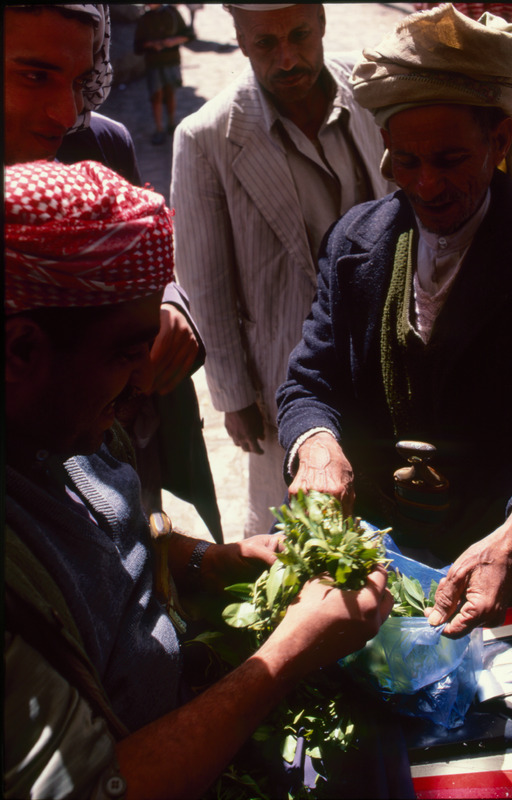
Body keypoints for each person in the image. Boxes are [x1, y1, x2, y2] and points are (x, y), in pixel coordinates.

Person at [4, 159, 398, 800]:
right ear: (21, 350)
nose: (145, 380)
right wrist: (289, 652)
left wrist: (206, 562)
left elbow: (108, 545)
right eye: (125, 353)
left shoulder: (66, 430)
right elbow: (102, 787)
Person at [277, 4, 512, 639]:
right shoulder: (354, 244)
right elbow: (309, 382)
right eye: (405, 161)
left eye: (449, 160)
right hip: (382, 574)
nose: (425, 185)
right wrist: (316, 446)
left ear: (500, 140)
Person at [171, 3, 393, 538]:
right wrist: (234, 397)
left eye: (299, 35)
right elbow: (205, 281)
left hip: (382, 356)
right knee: (300, 533)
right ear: (240, 39)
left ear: (322, 22)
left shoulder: (371, 89)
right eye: (266, 43)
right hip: (283, 373)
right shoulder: (206, 136)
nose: (288, 58)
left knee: (386, 521)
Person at [4, 2, 223, 540]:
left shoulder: (98, 143)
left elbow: (138, 253)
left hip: (113, 457)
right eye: (34, 76)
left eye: (79, 81)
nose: (64, 112)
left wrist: (167, 304)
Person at [134, 3, 193, 145]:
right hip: (153, 63)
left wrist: (173, 41)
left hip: (171, 61)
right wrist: (151, 44)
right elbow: (137, 46)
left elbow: (189, 35)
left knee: (170, 93)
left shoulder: (172, 13)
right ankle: (159, 129)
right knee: (156, 96)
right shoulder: (144, 18)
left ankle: (171, 124)